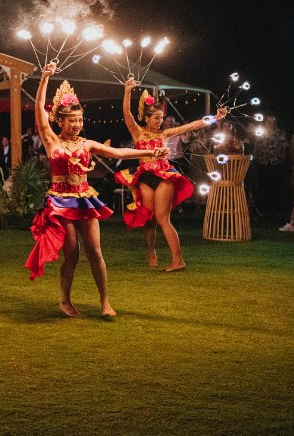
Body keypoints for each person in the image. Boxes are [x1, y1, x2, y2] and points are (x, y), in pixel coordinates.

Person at [26, 64, 149, 318]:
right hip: (61, 202)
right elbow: (39, 110)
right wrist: (45, 78)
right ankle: (65, 300)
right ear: (60, 121)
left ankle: (105, 302)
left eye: (80, 120)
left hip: (84, 199)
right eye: (72, 121)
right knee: (72, 254)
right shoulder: (52, 140)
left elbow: (118, 153)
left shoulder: (87, 143)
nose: (77, 125)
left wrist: (148, 152)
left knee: (95, 251)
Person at [118, 80, 228, 271]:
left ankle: (178, 260)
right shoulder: (138, 133)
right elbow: (127, 114)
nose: (160, 121)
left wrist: (214, 118)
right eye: (156, 118)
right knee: (149, 219)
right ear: (147, 118)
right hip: (145, 177)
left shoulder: (165, 134)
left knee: (163, 218)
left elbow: (190, 126)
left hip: (165, 175)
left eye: (161, 118)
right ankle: (151, 251)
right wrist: (127, 91)